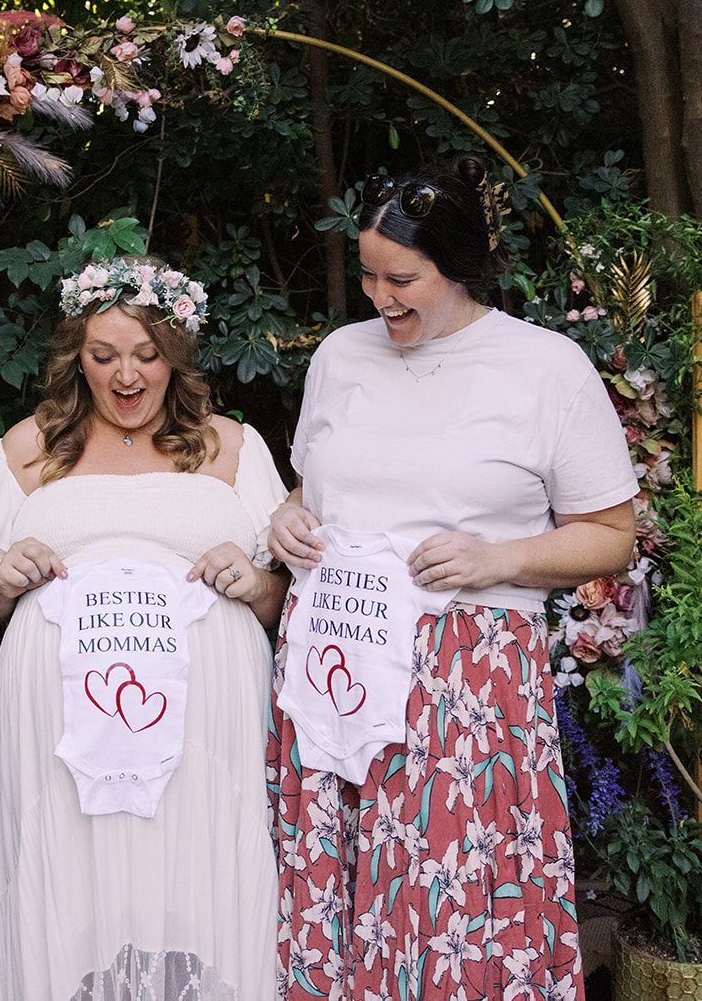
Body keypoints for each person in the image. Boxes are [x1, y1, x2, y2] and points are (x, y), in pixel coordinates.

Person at [266, 158, 638, 1001]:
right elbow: (319, 484)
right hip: (337, 663)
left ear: (459, 267)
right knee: (342, 885)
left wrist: (498, 557)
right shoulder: (339, 356)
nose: (378, 296)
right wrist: (286, 517)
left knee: (459, 895)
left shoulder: (546, 367)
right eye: (366, 274)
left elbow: (612, 536)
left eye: (402, 278)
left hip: (466, 680)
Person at [0, 256, 289, 1001]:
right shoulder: (26, 448)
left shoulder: (233, 447)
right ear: (77, 356)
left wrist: (259, 583)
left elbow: (285, 600)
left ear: (177, 357)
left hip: (209, 736)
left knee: (200, 874)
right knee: (72, 884)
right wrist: (3, 579)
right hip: (61, 739)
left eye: (147, 356)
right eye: (104, 356)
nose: (127, 376)